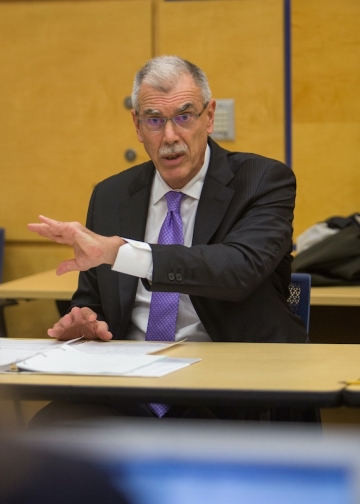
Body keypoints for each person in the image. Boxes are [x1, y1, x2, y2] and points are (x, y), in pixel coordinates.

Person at [28, 55, 311, 423]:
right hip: (130, 388)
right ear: (137, 124)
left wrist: (125, 253)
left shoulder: (261, 181)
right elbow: (92, 302)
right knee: (48, 432)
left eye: (184, 116)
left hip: (227, 389)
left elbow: (239, 269)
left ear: (208, 118)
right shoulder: (111, 195)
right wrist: (85, 325)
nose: (170, 136)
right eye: (155, 120)